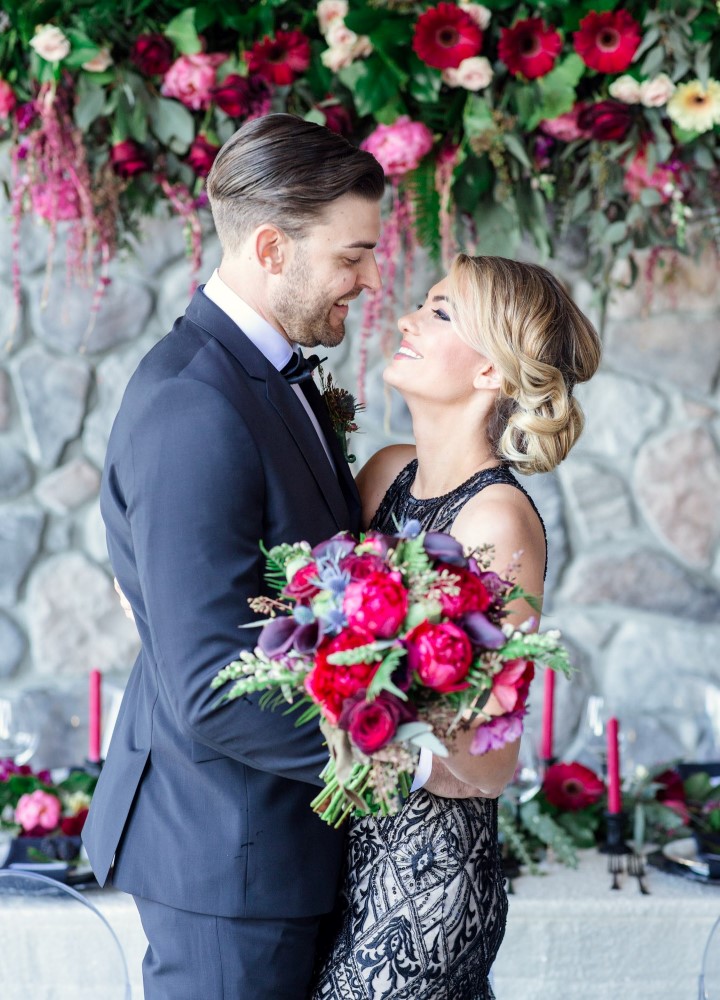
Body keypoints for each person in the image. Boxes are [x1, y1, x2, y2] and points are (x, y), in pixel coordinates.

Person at [81, 113, 385, 1000]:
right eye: (352, 256)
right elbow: (214, 683)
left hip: (270, 848)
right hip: (228, 857)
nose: (370, 280)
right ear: (270, 247)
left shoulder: (263, 378)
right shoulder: (193, 404)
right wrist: (400, 756)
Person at [311, 253, 601, 1000]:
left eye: (439, 312)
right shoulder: (386, 472)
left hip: (426, 883)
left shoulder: (496, 521)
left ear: (489, 374)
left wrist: (375, 731)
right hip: (340, 861)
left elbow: (492, 762)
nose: (405, 318)